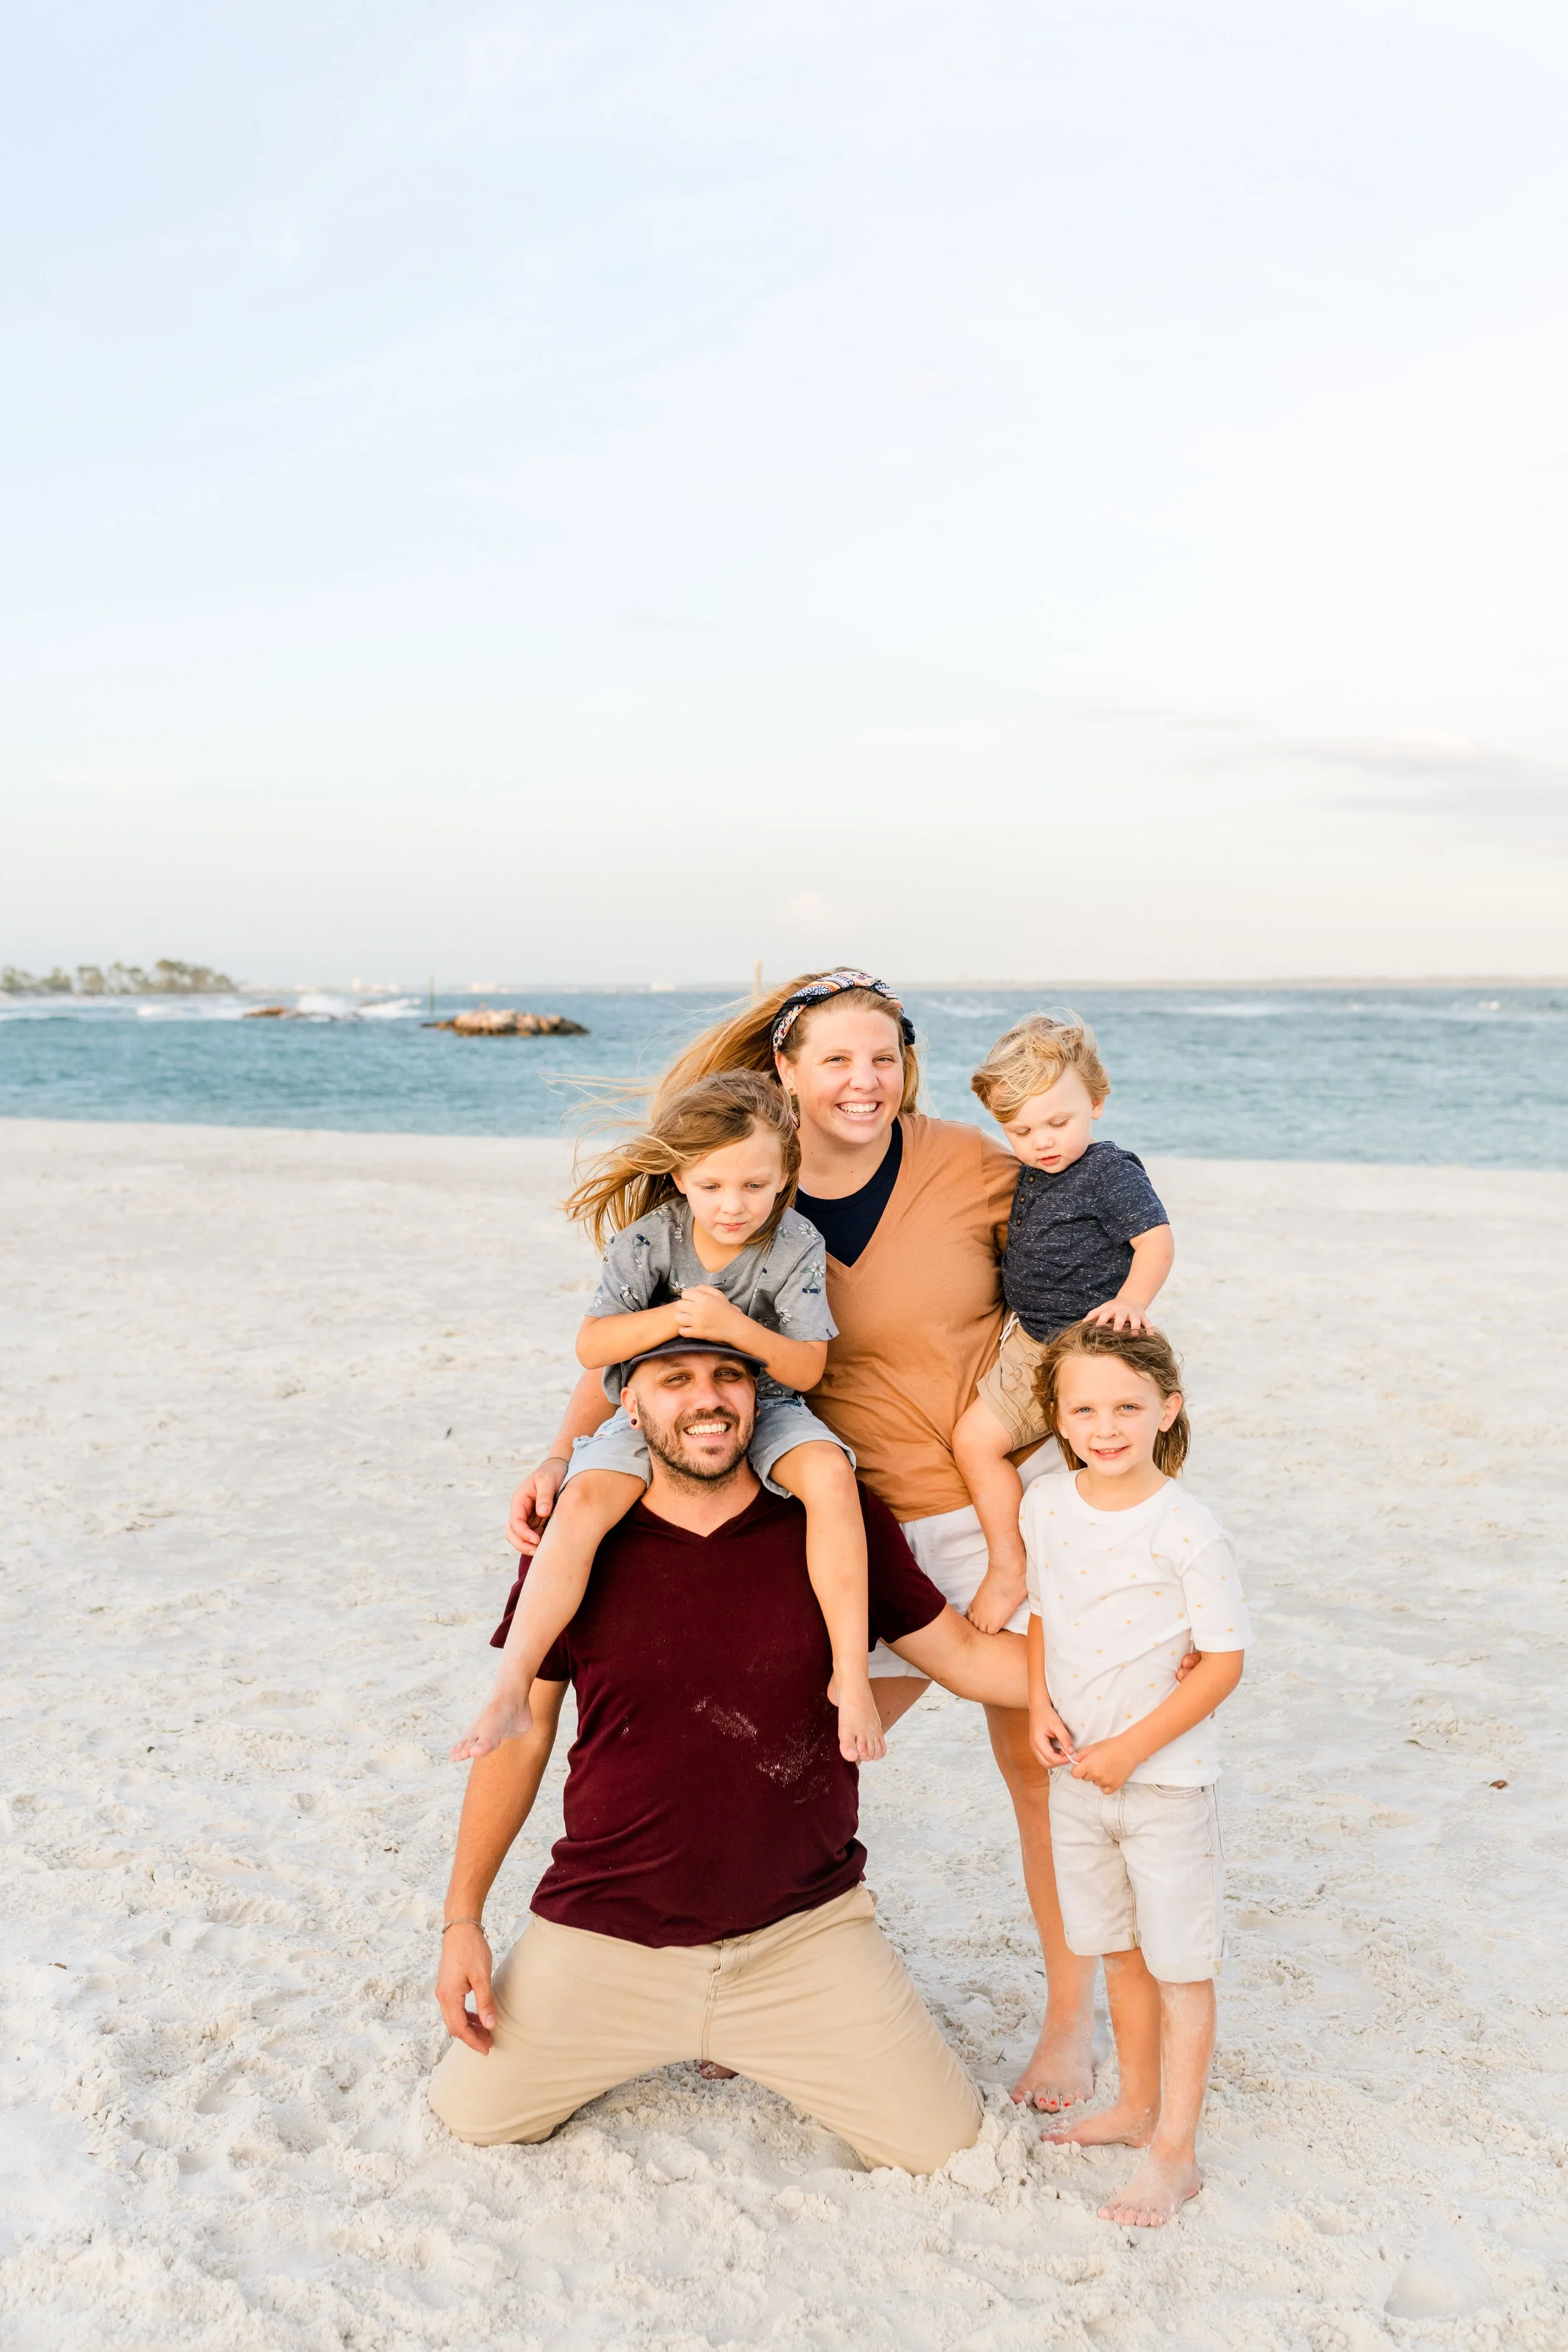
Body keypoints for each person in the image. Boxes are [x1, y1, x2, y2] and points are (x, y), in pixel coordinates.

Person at [502, 967, 1173, 2113]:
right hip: (823, 1527)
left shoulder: (976, 1165)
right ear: (787, 1069)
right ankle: (753, 1982)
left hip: (982, 1509)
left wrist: (1114, 1435)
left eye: (882, 1059)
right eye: (835, 1061)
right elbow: (643, 1337)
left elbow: (1096, 1251)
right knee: (785, 1751)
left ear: (905, 1064)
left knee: (1040, 1773)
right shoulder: (743, 1182)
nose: (861, 1083)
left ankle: (1070, 2022)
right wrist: (564, 1449)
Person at [430, 1339, 1032, 2173]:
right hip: (607, 1932)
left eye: (728, 1377)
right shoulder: (580, 1536)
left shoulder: (835, 1524)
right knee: (470, 2118)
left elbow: (969, 1660)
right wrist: (464, 1918)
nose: (707, 1398)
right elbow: (521, 1733)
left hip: (802, 1938)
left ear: (761, 1396)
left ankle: (758, 2036)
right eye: (674, 1380)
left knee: (948, 2149)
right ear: (628, 1405)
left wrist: (1146, 1667)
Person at [453, 1072, 883, 1767]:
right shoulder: (648, 1241)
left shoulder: (795, 1242)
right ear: (681, 1176)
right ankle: (509, 1686)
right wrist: (683, 1317)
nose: (733, 1205)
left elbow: (805, 1369)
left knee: (831, 1474)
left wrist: (733, 1326)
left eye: (753, 1185)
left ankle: (852, 1676)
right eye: (712, 1186)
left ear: (784, 1175)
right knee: (585, 1496)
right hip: (656, 1411)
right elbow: (593, 1347)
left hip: (764, 1404)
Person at [1023, 1320, 1249, 2227]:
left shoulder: (1187, 1526)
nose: (1106, 1424)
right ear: (1060, 1418)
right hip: (1076, 1774)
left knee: (1179, 1963)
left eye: (1126, 1405)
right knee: (1117, 1948)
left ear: (1168, 1409)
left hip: (1163, 1785)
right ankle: (1134, 2103)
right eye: (1084, 1408)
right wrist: (1039, 1704)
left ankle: (1176, 2151)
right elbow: (1043, 1609)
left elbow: (1225, 1660)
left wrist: (1130, 1750)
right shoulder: (1045, 1502)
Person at [953, 1014, 1174, 1636]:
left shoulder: (1108, 1171)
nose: (1041, 1141)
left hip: (1094, 1347)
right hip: (1030, 1344)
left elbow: (1155, 1241)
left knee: (1104, 1459)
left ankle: (1132, 1577)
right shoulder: (1028, 1170)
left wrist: (1133, 1301)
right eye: (1019, 1129)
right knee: (974, 1443)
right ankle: (1007, 1565)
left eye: (1058, 1122)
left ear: (1096, 1103)